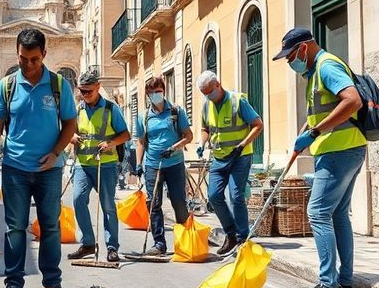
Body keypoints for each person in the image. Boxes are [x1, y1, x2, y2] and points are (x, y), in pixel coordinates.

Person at [272, 28, 366, 288]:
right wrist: (305, 134)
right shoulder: (314, 75)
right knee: (337, 215)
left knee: (317, 212)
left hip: (340, 150)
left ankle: (329, 285)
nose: (290, 63)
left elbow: (352, 100)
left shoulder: (327, 66)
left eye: (291, 56)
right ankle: (344, 284)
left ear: (304, 48)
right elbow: (320, 114)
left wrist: (314, 134)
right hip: (344, 149)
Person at [0, 28, 77, 288]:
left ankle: (52, 284)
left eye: (34, 59)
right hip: (15, 169)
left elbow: (70, 125)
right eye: (23, 59)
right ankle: (13, 287)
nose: (28, 65)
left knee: (50, 227)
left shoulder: (59, 85)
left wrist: (56, 153)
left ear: (44, 55)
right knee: (15, 228)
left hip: (49, 169)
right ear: (17, 54)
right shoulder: (7, 85)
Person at [196, 70, 264, 255]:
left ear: (218, 84)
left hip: (240, 156)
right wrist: (201, 142)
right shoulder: (206, 105)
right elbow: (205, 128)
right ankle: (230, 234)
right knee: (214, 196)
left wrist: (242, 145)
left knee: (236, 195)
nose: (208, 96)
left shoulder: (237, 101)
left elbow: (258, 125)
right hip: (219, 157)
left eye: (210, 91)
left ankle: (243, 237)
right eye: (204, 94)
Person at [67, 71, 131, 262]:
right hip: (82, 165)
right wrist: (73, 137)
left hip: (107, 165)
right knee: (78, 199)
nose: (84, 95)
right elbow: (68, 133)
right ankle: (87, 243)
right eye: (81, 91)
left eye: (88, 91)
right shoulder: (77, 110)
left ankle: (112, 247)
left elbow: (125, 135)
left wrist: (111, 143)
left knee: (108, 206)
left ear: (97, 88)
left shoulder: (112, 109)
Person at [135, 76, 193, 256]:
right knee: (153, 203)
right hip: (153, 164)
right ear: (147, 95)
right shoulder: (143, 117)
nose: (155, 95)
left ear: (164, 91)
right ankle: (159, 243)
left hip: (174, 163)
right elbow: (141, 141)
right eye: (152, 93)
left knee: (178, 201)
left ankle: (184, 241)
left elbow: (188, 136)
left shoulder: (176, 111)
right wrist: (138, 164)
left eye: (158, 92)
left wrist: (173, 148)